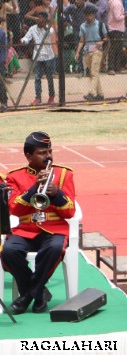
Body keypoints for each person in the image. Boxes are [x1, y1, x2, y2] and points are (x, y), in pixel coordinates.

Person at [1, 132, 77, 314]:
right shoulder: (15, 176)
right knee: (9, 252)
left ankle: (27, 295)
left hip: (54, 230)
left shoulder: (63, 174)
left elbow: (70, 211)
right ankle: (39, 292)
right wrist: (34, 188)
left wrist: (56, 194)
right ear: (28, 156)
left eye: (50, 151)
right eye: (42, 152)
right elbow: (14, 209)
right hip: (25, 230)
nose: (48, 156)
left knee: (54, 249)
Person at [21, 13, 57, 106]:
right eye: (38, 18)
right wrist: (23, 41)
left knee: (49, 78)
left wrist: (45, 26)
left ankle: (51, 96)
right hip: (37, 57)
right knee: (37, 78)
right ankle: (38, 98)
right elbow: (27, 38)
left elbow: (51, 31)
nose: (39, 20)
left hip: (48, 56)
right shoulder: (33, 28)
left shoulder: (49, 28)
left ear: (45, 20)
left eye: (41, 18)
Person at [76, 4, 106, 101]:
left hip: (97, 51)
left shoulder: (100, 25)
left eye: (90, 15)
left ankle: (92, 93)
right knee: (94, 73)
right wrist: (77, 52)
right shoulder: (83, 26)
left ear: (94, 15)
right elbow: (81, 40)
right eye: (86, 15)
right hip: (87, 52)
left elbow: (106, 37)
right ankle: (100, 94)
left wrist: (101, 42)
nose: (88, 17)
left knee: (94, 72)